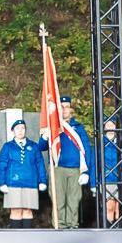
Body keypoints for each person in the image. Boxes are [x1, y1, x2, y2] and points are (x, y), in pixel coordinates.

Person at [39, 97, 91, 230]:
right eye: (61, 107)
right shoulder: (53, 126)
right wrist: (45, 136)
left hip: (75, 169)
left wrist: (86, 171)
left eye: (67, 106)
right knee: (58, 199)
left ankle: (72, 225)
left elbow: (86, 149)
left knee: (74, 200)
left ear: (71, 110)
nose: (64, 110)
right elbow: (41, 147)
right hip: (57, 168)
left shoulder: (78, 128)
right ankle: (60, 225)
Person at [0, 119, 45, 229]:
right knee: (15, 210)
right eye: (17, 128)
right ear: (13, 131)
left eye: (23, 128)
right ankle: (15, 237)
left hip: (30, 183)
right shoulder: (8, 146)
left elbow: (40, 164)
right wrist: (2, 183)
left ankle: (27, 237)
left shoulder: (34, 146)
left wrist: (42, 181)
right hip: (13, 184)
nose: (20, 131)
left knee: (27, 210)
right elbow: (2, 165)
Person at [97, 119, 122, 228]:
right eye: (107, 125)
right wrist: (93, 183)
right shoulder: (99, 144)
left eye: (112, 125)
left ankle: (119, 230)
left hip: (121, 178)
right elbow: (95, 163)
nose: (110, 127)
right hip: (107, 179)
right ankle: (109, 229)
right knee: (109, 207)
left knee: (119, 208)